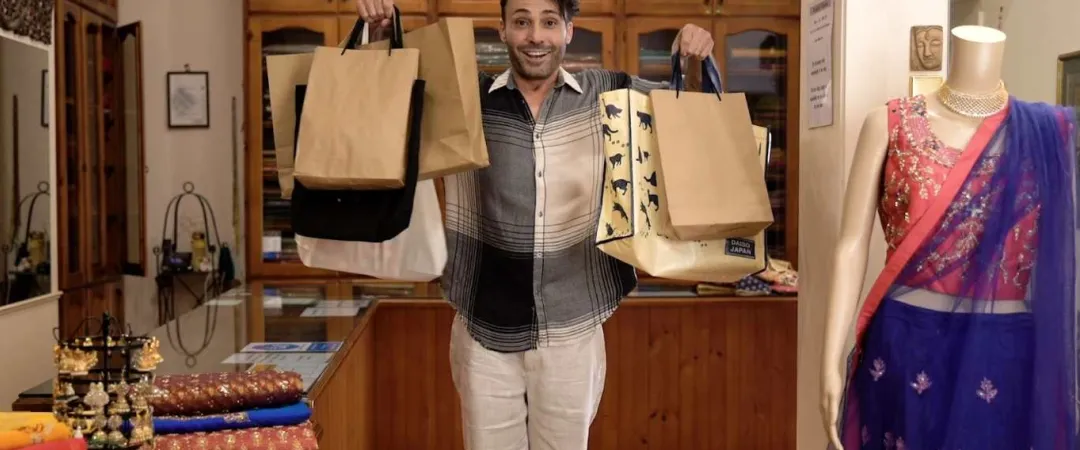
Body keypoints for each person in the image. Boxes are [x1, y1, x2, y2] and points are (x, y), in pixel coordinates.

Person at [354, 0, 714, 448]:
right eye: (521, 21)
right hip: (483, 327)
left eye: (548, 22)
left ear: (568, 30)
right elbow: (391, 103)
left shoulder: (607, 93)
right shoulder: (465, 98)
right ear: (502, 29)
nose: (535, 36)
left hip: (573, 328)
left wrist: (694, 59)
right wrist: (381, 33)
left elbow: (689, 118)